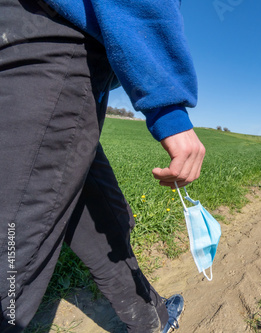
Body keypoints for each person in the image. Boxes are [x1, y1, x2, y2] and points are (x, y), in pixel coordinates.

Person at [0, 0, 205, 332]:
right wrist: (168, 109)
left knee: (101, 212)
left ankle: (149, 318)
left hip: (25, 39)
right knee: (11, 251)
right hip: (56, 54)